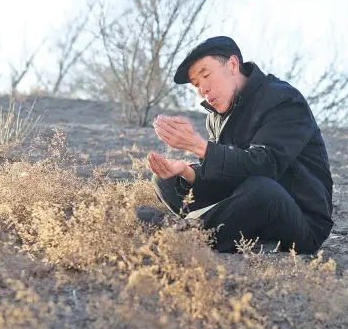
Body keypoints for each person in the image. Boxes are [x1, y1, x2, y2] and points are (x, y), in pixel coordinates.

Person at [142, 36, 333, 254]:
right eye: (196, 84)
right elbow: (226, 175)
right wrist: (186, 172)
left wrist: (197, 145)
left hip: (299, 220)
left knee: (262, 190)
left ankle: (188, 235)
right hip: (247, 202)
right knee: (167, 180)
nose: (202, 88)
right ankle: (215, 229)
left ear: (233, 65)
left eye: (206, 75)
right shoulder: (215, 116)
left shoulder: (284, 99)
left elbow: (266, 166)